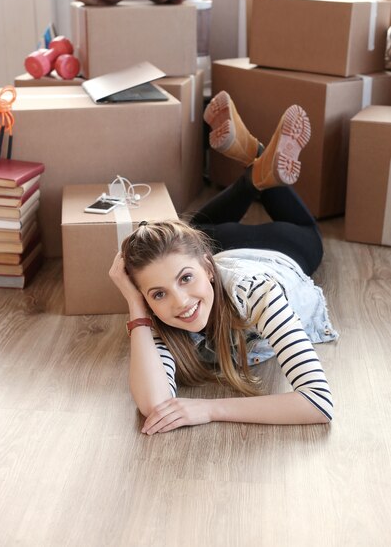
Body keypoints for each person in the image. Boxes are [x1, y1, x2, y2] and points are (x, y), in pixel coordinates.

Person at [109, 91, 337, 435]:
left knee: (307, 232)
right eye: (157, 294)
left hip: (284, 248)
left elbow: (318, 403)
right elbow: (155, 405)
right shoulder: (161, 314)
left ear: (207, 265)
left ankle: (253, 157)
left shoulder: (257, 293)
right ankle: (254, 159)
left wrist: (210, 408)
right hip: (220, 243)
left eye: (186, 279)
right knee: (187, 232)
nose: (180, 302)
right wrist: (135, 305)